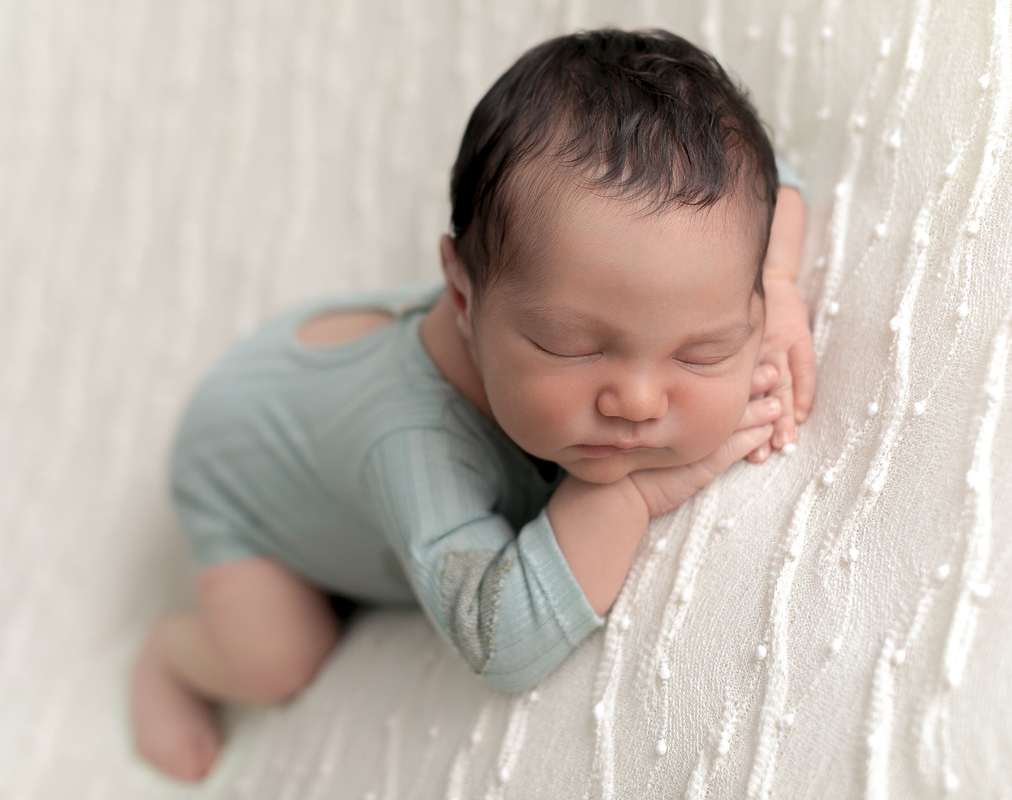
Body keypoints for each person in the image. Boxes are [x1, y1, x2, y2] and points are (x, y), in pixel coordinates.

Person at [130, 27, 816, 782]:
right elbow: (501, 640)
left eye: (702, 351)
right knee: (279, 657)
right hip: (242, 475)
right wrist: (631, 495)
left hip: (322, 390)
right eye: (571, 345)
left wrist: (776, 285)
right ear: (461, 294)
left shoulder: (670, 260)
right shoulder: (413, 442)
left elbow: (769, 181)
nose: (640, 400)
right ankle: (173, 656)